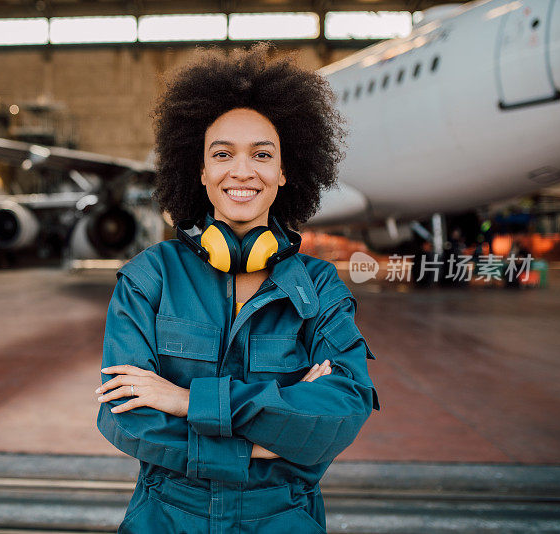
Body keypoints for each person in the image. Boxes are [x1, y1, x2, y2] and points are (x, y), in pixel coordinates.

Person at [95, 42, 380, 534]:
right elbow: (125, 416)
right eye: (222, 154)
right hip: (166, 517)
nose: (242, 171)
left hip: (284, 517)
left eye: (262, 154)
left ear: (284, 172)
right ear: (200, 171)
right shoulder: (150, 277)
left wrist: (185, 401)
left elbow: (344, 409)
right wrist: (277, 436)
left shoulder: (319, 288)